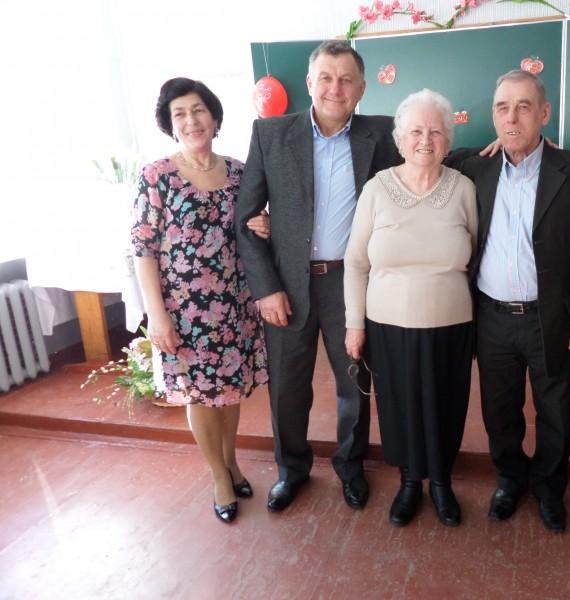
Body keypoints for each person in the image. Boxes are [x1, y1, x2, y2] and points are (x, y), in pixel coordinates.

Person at [235, 40, 402, 513]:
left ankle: (351, 466)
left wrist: (510, 144)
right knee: (288, 387)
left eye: (346, 80)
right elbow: (245, 219)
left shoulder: (384, 134)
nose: (335, 88)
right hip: (286, 285)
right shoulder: (270, 134)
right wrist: (266, 288)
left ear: (362, 89)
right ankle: (291, 471)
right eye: (326, 78)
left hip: (350, 284)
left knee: (354, 383)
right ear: (310, 83)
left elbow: (433, 151)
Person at [456, 70, 570, 531]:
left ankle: (549, 487)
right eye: (502, 108)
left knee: (554, 409)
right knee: (499, 409)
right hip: (491, 317)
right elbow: (421, 148)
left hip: (553, 317)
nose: (512, 117)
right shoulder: (474, 169)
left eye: (524, 107)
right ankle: (509, 479)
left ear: (544, 113)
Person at [132, 77, 268, 524]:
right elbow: (143, 250)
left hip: (235, 304)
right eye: (180, 114)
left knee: (229, 392)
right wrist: (157, 316)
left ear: (214, 117)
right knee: (200, 394)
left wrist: (264, 226)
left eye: (198, 110)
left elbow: (253, 227)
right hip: (185, 312)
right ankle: (218, 476)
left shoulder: (239, 172)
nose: (191, 121)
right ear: (170, 125)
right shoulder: (157, 176)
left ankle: (231, 462)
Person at [343, 89, 478, 527]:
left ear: (448, 140)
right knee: (399, 405)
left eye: (436, 132)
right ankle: (408, 482)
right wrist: (354, 324)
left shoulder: (464, 189)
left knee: (446, 404)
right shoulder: (377, 189)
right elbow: (355, 262)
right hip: (387, 323)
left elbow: (475, 251)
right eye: (416, 131)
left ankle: (440, 482)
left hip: (452, 323)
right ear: (400, 139)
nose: (425, 140)